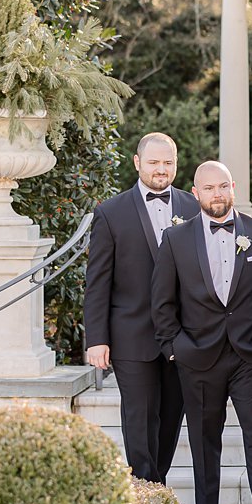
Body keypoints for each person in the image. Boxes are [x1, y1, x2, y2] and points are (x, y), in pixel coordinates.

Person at [151, 160, 252, 504]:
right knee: (203, 433)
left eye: (223, 186)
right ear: (195, 194)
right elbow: (162, 302)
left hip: (251, 353)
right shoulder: (175, 239)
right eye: (209, 188)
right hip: (197, 355)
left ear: (233, 188)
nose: (217, 194)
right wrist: (175, 347)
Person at [83, 133, 196, 484]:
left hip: (182, 336)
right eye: (153, 162)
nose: (161, 169)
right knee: (139, 415)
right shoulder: (110, 213)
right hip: (131, 334)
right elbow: (97, 282)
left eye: (167, 163)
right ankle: (146, 488)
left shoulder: (193, 208)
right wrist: (96, 339)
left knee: (172, 414)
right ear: (137, 163)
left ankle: (154, 482)